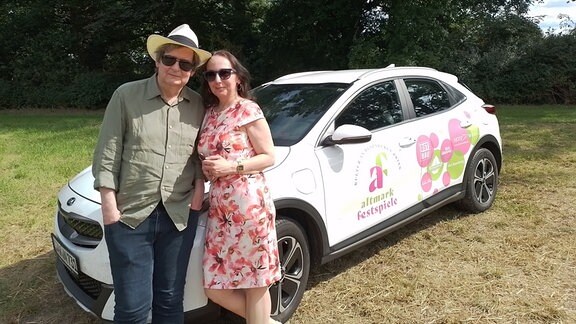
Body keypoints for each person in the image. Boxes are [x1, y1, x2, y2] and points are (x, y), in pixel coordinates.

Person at [92, 24, 211, 323]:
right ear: (157, 60)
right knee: (132, 308)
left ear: (192, 71)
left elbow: (200, 153)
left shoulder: (198, 105)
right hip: (131, 214)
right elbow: (109, 149)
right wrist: (109, 205)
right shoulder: (126, 95)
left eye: (185, 64)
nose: (176, 68)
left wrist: (198, 193)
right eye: (170, 59)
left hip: (179, 216)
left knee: (171, 300)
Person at [196, 50, 282, 324]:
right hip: (220, 211)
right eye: (211, 74)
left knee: (255, 283)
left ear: (238, 77)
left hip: (249, 207)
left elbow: (269, 156)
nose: (217, 79)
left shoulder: (248, 109)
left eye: (224, 73)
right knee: (214, 287)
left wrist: (231, 167)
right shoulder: (209, 114)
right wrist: (207, 170)